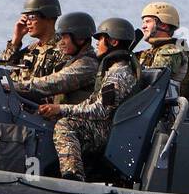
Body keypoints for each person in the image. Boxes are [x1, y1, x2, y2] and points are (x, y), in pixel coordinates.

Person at [39, 17, 141, 182]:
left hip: (108, 130)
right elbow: (91, 102)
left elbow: (100, 110)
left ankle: (73, 177)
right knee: (62, 119)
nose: (97, 44)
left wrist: (62, 109)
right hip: (107, 126)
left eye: (101, 39)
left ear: (113, 42)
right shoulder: (113, 70)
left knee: (66, 125)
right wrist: (60, 110)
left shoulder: (119, 74)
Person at [9, 11, 97, 105]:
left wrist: (14, 86)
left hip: (74, 118)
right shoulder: (75, 60)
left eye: (65, 38)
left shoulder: (87, 64)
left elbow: (53, 83)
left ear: (80, 39)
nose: (61, 43)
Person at [136, 1, 189, 99]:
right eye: (143, 22)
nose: (143, 26)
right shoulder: (150, 52)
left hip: (165, 111)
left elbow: (154, 81)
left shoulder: (172, 51)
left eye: (148, 22)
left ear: (164, 25)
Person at [0, 0, 64, 79]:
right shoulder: (31, 50)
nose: (28, 22)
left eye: (32, 17)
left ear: (48, 17)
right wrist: (16, 39)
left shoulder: (64, 50)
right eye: (26, 18)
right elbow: (4, 64)